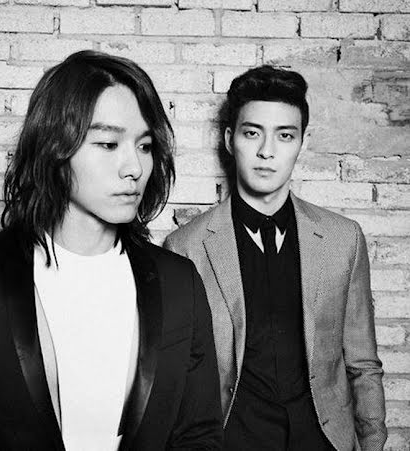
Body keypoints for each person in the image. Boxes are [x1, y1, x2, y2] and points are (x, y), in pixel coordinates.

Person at [0, 50, 223, 450]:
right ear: (55, 147)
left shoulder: (179, 282)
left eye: (144, 146)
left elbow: (199, 435)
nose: (134, 168)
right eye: (108, 144)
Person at [165, 65, 386, 451]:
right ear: (229, 139)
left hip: (323, 440)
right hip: (231, 441)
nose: (267, 152)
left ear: (303, 142)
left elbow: (362, 362)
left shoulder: (343, 239)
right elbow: (178, 378)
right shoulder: (186, 247)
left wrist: (372, 442)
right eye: (252, 133)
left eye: (285, 135)